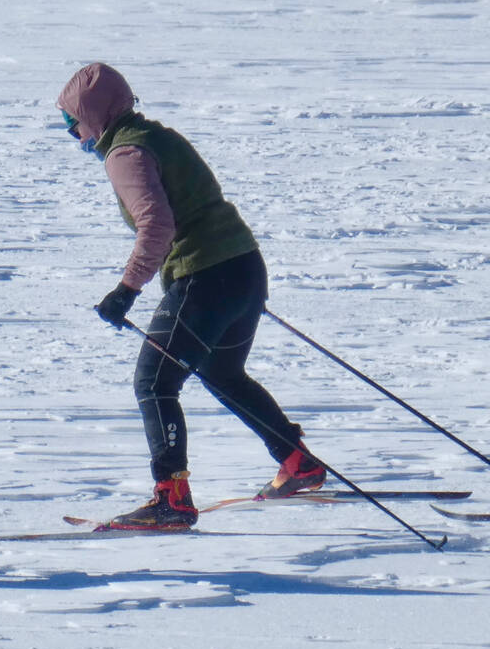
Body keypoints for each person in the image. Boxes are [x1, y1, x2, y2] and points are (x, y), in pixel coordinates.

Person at [55, 62, 324, 532]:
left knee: (154, 383)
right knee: (223, 373)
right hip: (243, 268)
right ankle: (297, 463)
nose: (73, 134)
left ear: (94, 115)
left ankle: (171, 500)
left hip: (204, 278)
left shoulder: (126, 153)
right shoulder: (158, 136)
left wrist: (126, 290)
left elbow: (157, 226)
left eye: (71, 122)